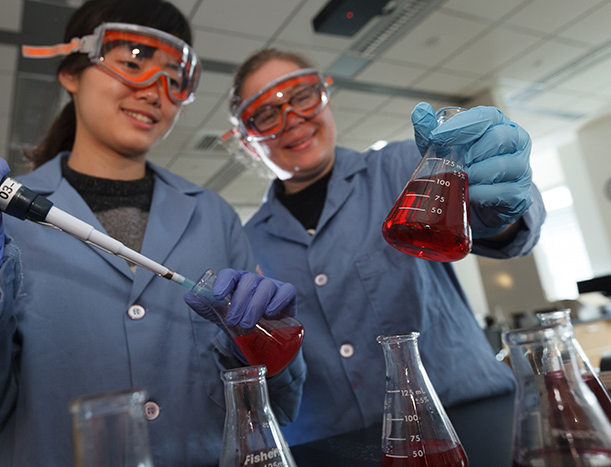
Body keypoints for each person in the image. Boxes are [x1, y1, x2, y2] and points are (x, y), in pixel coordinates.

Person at [0, 4, 306, 466]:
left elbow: (272, 411)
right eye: (133, 62)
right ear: (71, 72)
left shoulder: (214, 215)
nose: (155, 92)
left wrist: (272, 353)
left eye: (173, 79)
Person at [225, 48, 546, 445]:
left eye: (301, 95)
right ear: (246, 140)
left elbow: (495, 224)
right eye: (266, 114)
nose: (291, 119)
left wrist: (502, 209)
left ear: (325, 95)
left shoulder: (400, 166)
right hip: (333, 447)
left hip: (471, 421)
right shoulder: (245, 242)